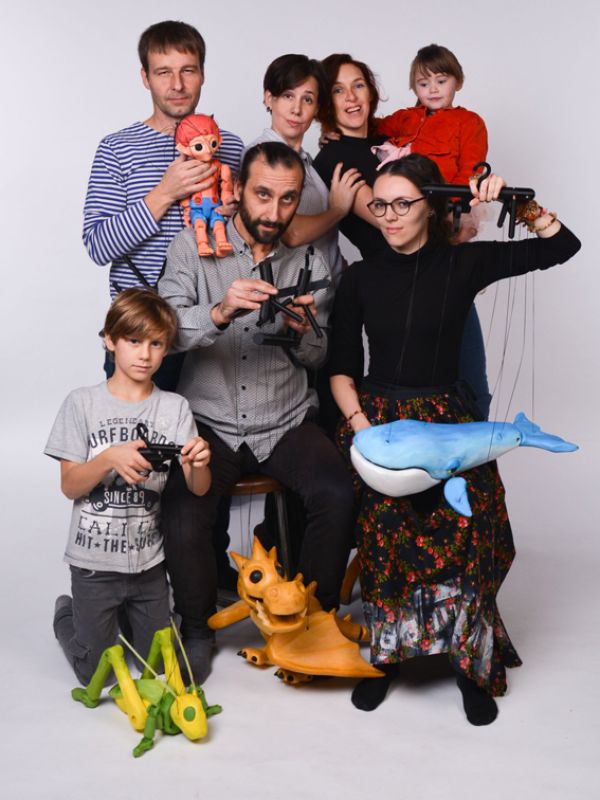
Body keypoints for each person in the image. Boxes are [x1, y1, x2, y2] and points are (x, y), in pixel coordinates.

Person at [329, 154, 580, 724]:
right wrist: (363, 429)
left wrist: (518, 204)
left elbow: (563, 247)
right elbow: (341, 368)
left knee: (470, 527)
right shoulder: (360, 278)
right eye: (379, 205)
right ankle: (388, 657)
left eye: (402, 204)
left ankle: (469, 663)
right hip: (381, 422)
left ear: (431, 206)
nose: (389, 216)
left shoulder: (463, 263)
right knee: (384, 535)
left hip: (449, 418)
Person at [158, 141, 355, 665]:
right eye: (263, 195)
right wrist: (219, 311)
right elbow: (166, 331)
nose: (274, 212)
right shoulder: (192, 245)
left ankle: (315, 621)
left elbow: (318, 356)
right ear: (240, 188)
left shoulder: (310, 259)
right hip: (210, 420)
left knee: (337, 494)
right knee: (183, 513)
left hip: (285, 418)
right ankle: (197, 629)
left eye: (288, 199)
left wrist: (304, 332)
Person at [47, 289, 212, 685]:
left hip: (148, 565)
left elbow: (199, 489)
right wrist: (108, 458)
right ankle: (66, 613)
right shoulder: (81, 403)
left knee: (158, 668)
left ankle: (127, 618)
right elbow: (70, 486)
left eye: (156, 344)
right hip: (94, 565)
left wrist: (199, 463)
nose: (145, 355)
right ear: (110, 340)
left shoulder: (174, 407)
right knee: (96, 675)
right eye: (134, 341)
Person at [315, 52, 491, 419]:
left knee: (472, 393)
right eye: (338, 90)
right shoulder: (335, 158)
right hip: (397, 290)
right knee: (418, 406)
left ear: (371, 92)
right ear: (326, 102)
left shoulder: (392, 136)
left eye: (358, 85)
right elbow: (388, 218)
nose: (351, 97)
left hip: (442, 273)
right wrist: (455, 237)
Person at [82, 20, 244, 390]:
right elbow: (98, 246)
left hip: (214, 327)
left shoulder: (231, 147)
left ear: (202, 74)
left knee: (208, 431)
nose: (177, 85)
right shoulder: (117, 149)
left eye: (188, 70)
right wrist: (164, 193)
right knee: (139, 429)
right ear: (145, 77)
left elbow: (251, 242)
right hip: (143, 330)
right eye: (163, 72)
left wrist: (235, 218)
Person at [246, 54, 363, 289]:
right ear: (269, 98)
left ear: (317, 108)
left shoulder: (306, 161)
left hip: (330, 292)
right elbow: (290, 234)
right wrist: (338, 210)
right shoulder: (259, 157)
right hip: (295, 300)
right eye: (288, 96)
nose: (297, 109)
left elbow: (322, 239)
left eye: (307, 100)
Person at [377, 44, 487, 187]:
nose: (433, 89)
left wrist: (450, 198)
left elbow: (471, 171)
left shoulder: (469, 122)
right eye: (424, 84)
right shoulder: (404, 117)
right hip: (398, 193)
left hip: (441, 197)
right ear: (415, 89)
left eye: (441, 82)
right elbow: (369, 128)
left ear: (458, 82)